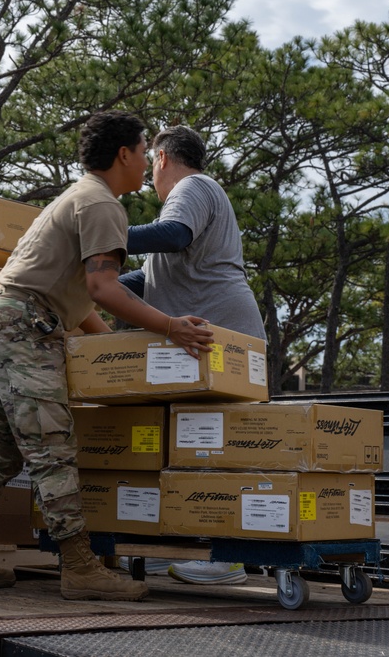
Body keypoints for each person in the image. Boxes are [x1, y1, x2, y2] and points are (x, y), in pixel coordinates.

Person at [0, 110, 215, 601]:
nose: (146, 163)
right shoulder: (102, 205)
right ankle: (79, 566)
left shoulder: (78, 197)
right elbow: (103, 287)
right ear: (123, 155)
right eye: (141, 152)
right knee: (52, 447)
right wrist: (170, 326)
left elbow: (84, 302)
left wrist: (113, 355)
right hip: (23, 325)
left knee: (2, 448)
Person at [120, 125, 266, 586]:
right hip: (202, 345)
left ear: (162, 158)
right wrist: (80, 288)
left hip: (222, 343)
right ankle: (171, 550)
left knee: (220, 451)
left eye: (150, 164)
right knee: (185, 452)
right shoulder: (196, 199)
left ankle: (230, 558)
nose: (148, 175)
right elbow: (143, 282)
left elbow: (172, 234)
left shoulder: (192, 187)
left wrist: (103, 234)